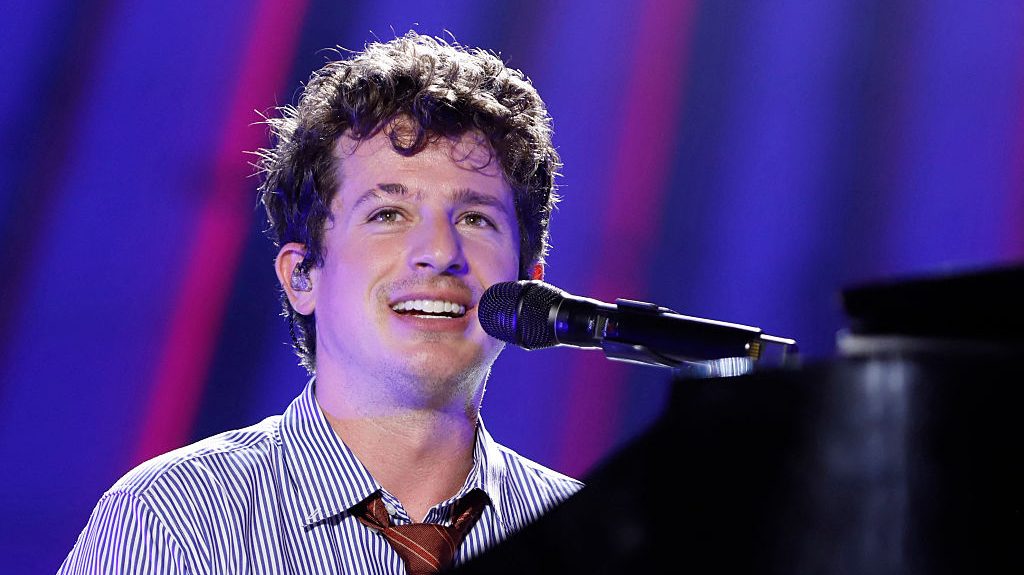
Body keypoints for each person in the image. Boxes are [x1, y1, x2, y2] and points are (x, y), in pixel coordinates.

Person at [58, 32, 582, 574]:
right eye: (388, 214)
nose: (439, 253)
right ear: (301, 276)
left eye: (476, 219)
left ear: (529, 283)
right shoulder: (176, 523)